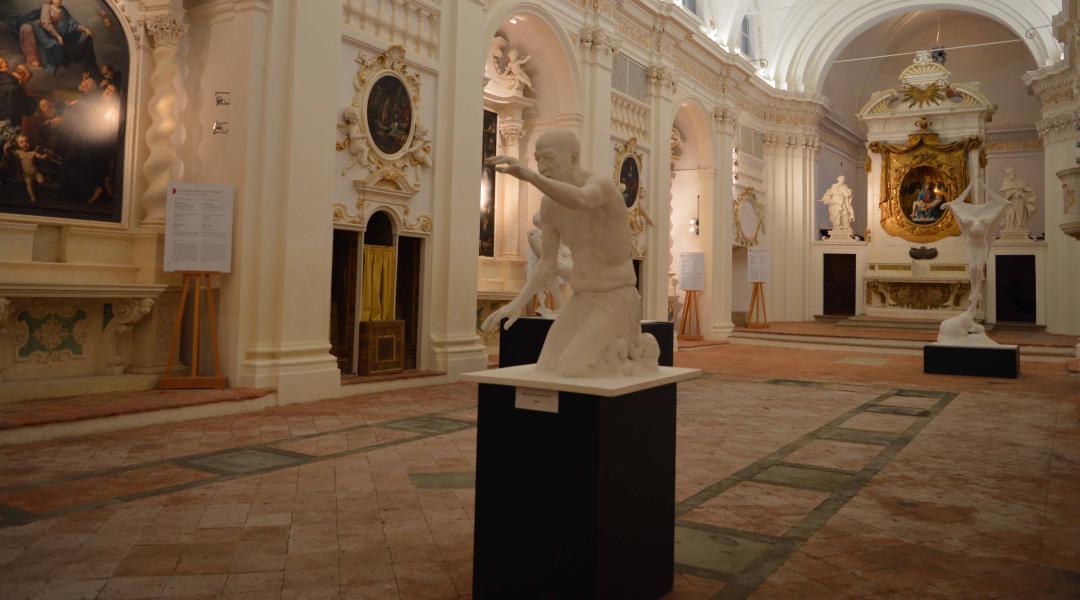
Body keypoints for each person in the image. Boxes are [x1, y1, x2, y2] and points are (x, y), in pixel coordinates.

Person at [481, 129, 659, 377]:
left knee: (573, 367)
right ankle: (619, 353)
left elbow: (580, 200)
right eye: (538, 159)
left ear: (573, 158)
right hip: (583, 298)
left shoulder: (602, 187)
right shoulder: (549, 205)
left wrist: (530, 176)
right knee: (547, 366)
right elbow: (547, 262)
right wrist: (517, 303)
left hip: (615, 296)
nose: (542, 166)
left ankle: (633, 356)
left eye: (549, 158)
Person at [8, 0, 100, 76]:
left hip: (53, 36)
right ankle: (34, 59)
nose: (59, 0)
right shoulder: (46, 7)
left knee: (58, 47)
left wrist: (85, 29)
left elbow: (72, 24)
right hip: (41, 32)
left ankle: (54, 64)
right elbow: (46, 23)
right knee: (28, 29)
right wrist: (58, 36)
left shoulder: (63, 10)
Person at [6, 134, 48, 202]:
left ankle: (44, 178)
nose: (25, 144)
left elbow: (41, 157)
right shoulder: (18, 152)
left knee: (41, 181)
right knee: (29, 183)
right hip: (27, 174)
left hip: (36, 172)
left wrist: (45, 155)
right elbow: (9, 154)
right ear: (18, 145)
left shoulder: (33, 153)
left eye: (26, 141)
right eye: (21, 142)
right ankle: (32, 197)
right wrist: (6, 148)